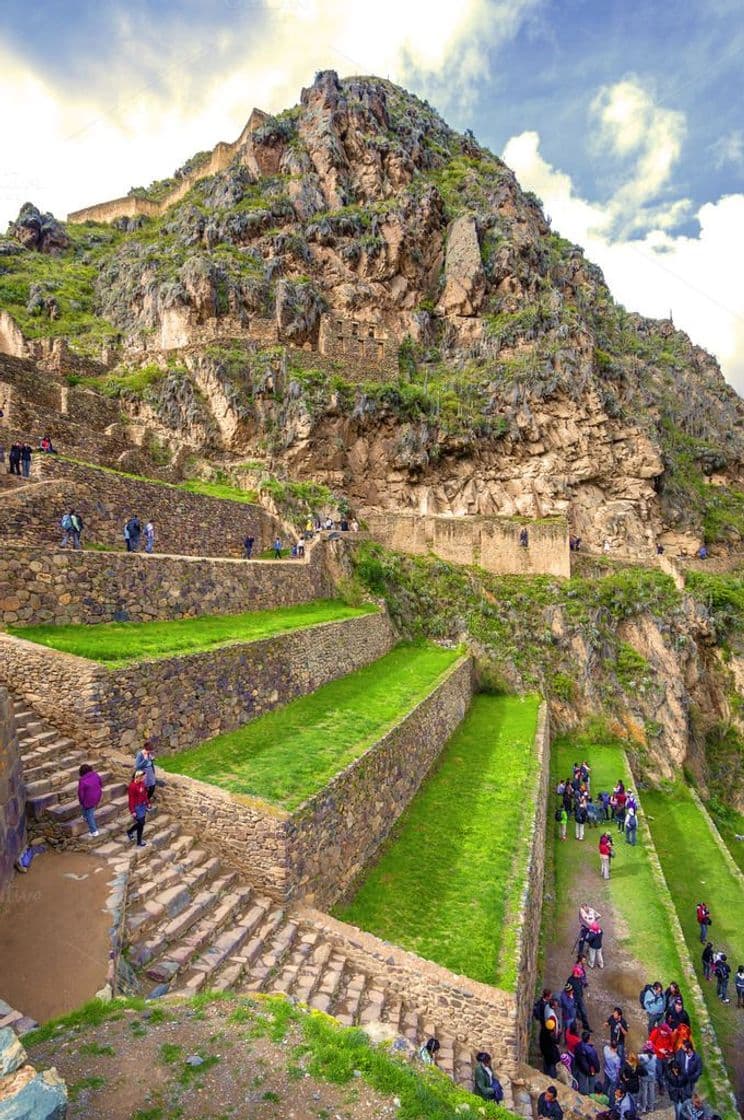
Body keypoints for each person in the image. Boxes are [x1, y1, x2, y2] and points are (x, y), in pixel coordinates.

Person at [77, 763, 102, 837]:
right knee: (87, 808)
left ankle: (94, 831)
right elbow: (100, 783)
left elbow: (80, 793)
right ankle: (84, 816)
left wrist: (81, 801)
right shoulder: (95, 775)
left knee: (90, 815)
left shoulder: (82, 780)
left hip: (88, 799)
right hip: (97, 795)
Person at [126, 770, 150, 847]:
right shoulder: (132, 786)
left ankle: (130, 831)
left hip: (142, 806)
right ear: (139, 777)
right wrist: (132, 810)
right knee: (141, 824)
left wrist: (147, 803)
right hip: (137, 807)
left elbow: (144, 794)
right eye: (143, 777)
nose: (145, 778)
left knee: (141, 823)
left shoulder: (142, 783)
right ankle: (139, 842)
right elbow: (131, 799)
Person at [573, 1030, 600, 1095]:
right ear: (588, 1039)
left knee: (582, 1081)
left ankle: (581, 1092)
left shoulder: (577, 1045)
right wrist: (597, 1069)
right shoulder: (591, 1050)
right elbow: (595, 1061)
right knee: (591, 1082)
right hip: (589, 1069)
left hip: (580, 1067)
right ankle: (590, 1094)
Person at [637, 1043, 658, 1114]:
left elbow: (637, 1057)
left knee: (644, 1092)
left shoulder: (643, 1057)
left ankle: (644, 1108)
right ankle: (651, 1107)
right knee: (652, 1091)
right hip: (652, 1077)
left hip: (644, 1077)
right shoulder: (655, 1057)